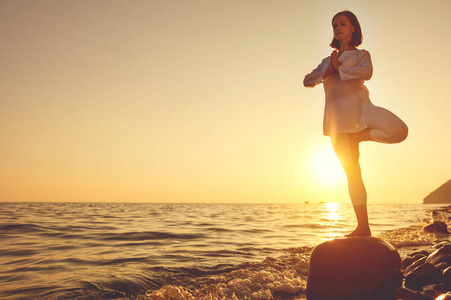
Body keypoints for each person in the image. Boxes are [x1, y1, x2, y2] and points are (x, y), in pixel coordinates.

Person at [303, 10, 408, 237]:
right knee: (353, 173)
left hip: (361, 111)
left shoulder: (362, 55)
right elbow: (307, 81)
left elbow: (366, 72)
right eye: (334, 25)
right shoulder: (326, 61)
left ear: (353, 28)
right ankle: (363, 227)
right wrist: (327, 70)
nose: (337, 28)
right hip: (336, 124)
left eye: (342, 23)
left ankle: (363, 135)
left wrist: (338, 70)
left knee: (400, 130)